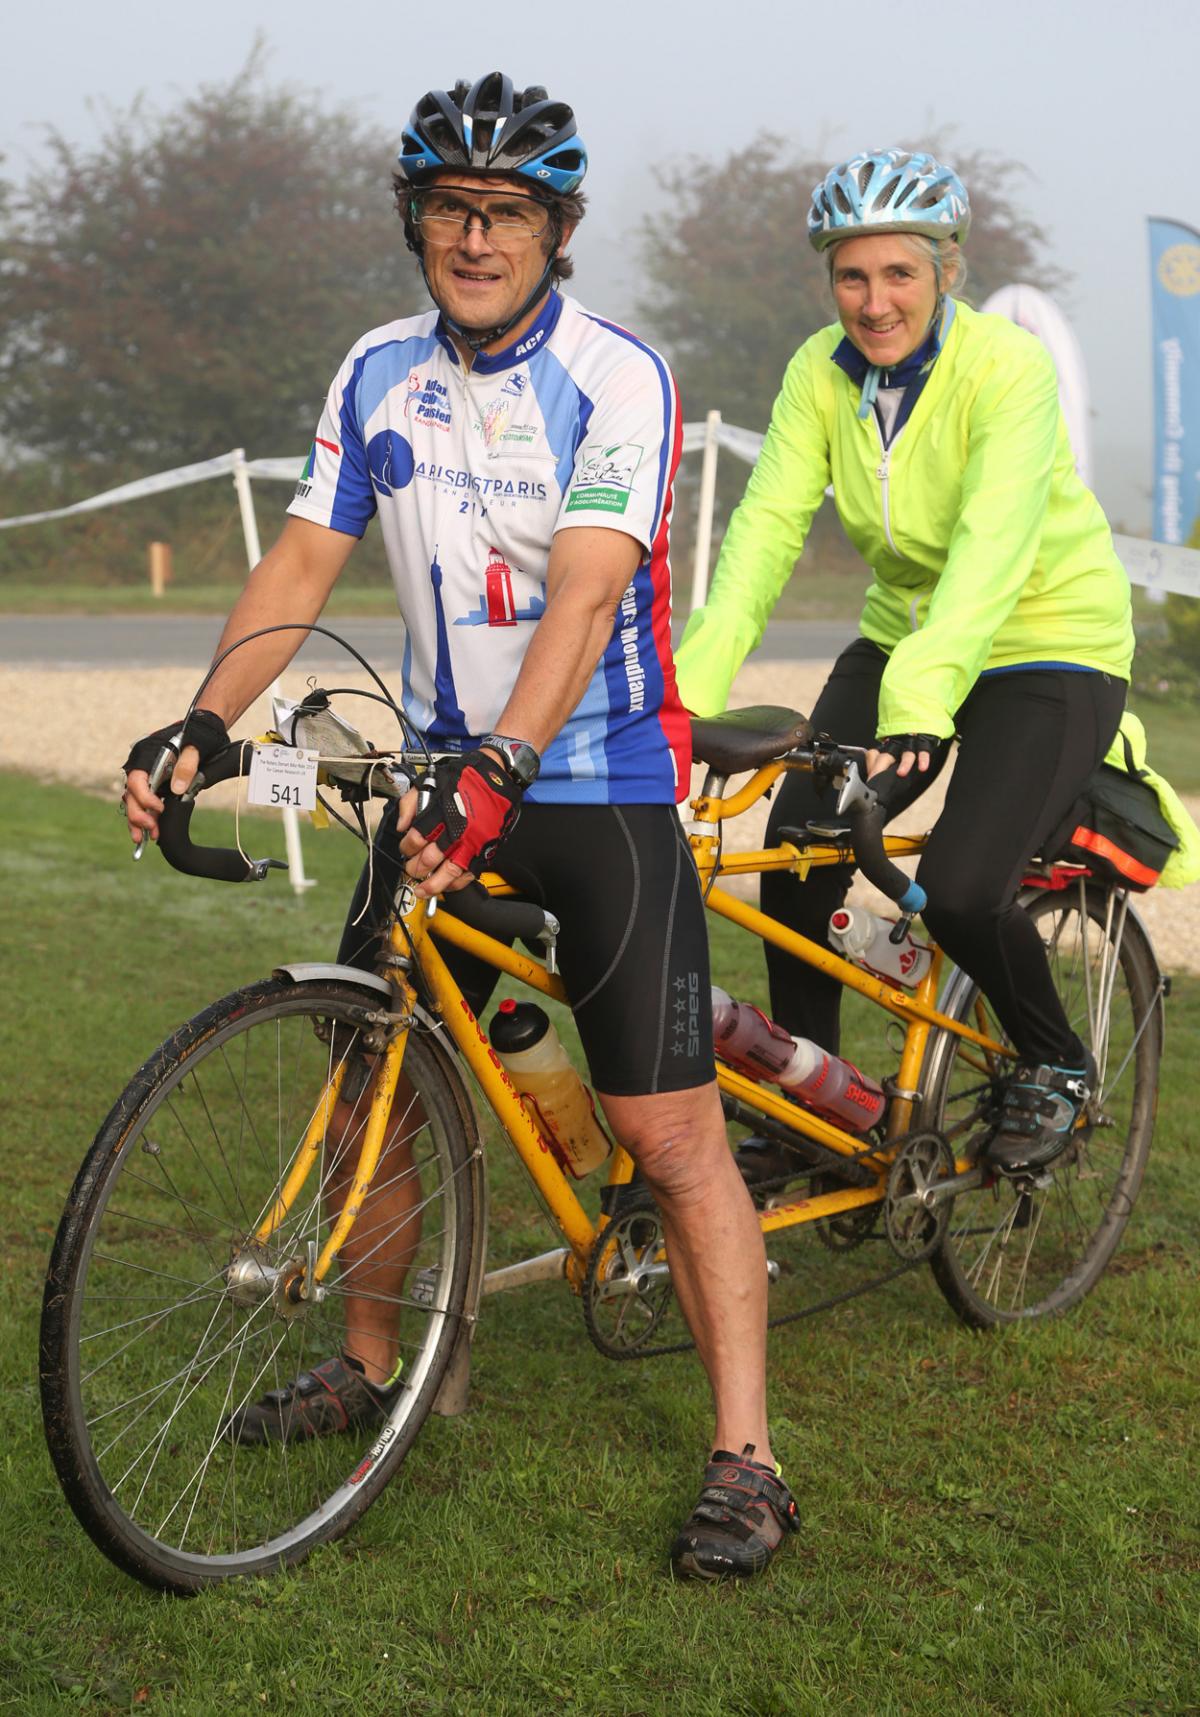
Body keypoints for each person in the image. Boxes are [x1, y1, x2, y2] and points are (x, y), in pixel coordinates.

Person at [121, 72, 798, 1582]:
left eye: (504, 213)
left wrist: (504, 759)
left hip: (598, 780)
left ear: (555, 231)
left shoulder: (618, 375)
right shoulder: (376, 373)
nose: (474, 238)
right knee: (374, 1073)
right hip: (445, 779)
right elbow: (302, 561)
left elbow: (584, 589)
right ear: (415, 222)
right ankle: (369, 1362)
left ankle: (747, 1454)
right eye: (447, 209)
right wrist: (205, 722)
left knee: (663, 1129)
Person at [675, 147, 1134, 1177]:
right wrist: (681, 699)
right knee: (797, 858)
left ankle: (1057, 1063)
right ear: (829, 278)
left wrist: (919, 706)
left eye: (899, 274)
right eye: (852, 275)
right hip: (903, 633)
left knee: (966, 887)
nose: (874, 301)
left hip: (1046, 639)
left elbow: (992, 548)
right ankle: (814, 1107)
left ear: (945, 272)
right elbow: (761, 539)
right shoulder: (816, 373)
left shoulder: (1006, 368)